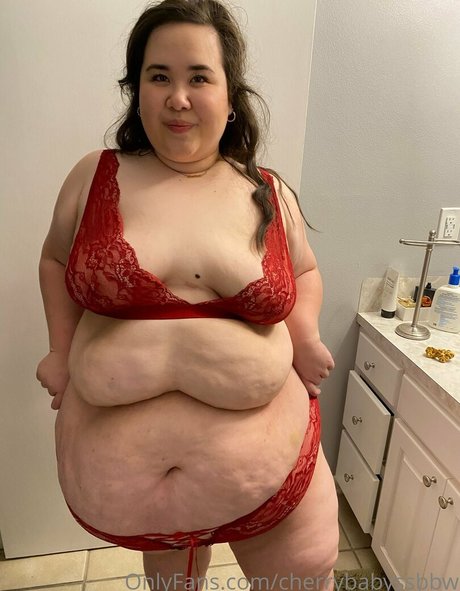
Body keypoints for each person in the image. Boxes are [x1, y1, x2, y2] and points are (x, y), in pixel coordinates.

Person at [36, 0, 339, 589]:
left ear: (230, 95)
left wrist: (305, 336)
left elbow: (303, 272)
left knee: (305, 578)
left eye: (199, 77)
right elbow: (54, 259)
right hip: (153, 513)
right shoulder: (93, 176)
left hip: (277, 477)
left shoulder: (268, 191)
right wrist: (59, 349)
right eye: (159, 77)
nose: (178, 98)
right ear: (137, 91)